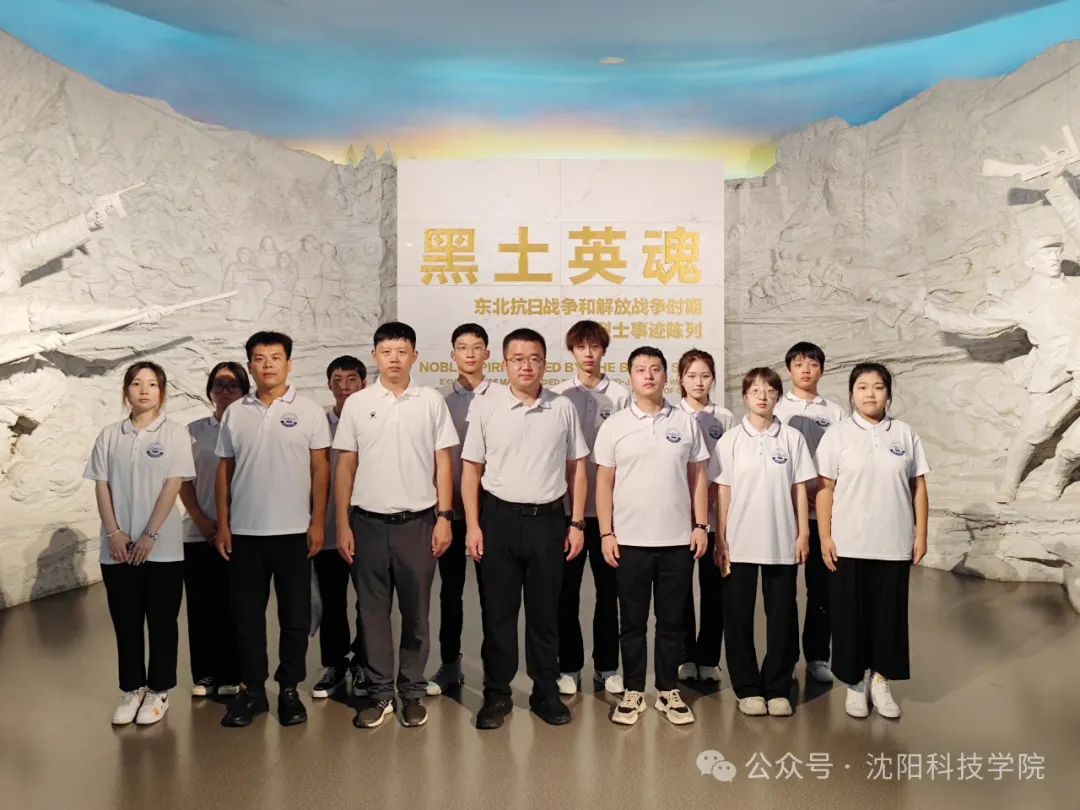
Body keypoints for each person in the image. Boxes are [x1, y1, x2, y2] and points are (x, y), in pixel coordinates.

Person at [461, 327, 589, 729]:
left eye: (534, 358)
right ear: (504, 364)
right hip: (498, 521)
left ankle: (545, 692)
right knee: (498, 614)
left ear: (545, 363)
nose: (526, 366)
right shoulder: (487, 407)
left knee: (545, 613)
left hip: (548, 522)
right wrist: (473, 526)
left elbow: (577, 468)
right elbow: (471, 470)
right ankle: (497, 694)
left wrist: (577, 522)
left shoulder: (562, 407)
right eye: (518, 359)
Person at [334, 322, 458, 729]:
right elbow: (345, 465)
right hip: (367, 523)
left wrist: (444, 517)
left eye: (402, 352)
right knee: (371, 613)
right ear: (375, 356)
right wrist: (342, 524)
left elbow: (443, 462)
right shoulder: (358, 403)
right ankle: (379, 693)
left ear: (414, 357)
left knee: (416, 612)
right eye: (386, 352)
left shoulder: (430, 401)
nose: (394, 359)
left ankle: (412, 691)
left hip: (418, 523)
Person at [215, 331, 331, 728]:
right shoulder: (235, 413)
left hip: (294, 533)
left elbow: (320, 469)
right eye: (260, 358)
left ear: (289, 364)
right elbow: (225, 470)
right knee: (247, 616)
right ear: (250, 365)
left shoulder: (309, 411)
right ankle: (253, 691)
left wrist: (318, 522)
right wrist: (224, 524)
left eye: (276, 357)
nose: (268, 365)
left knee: (295, 617)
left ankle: (288, 689)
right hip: (245, 533)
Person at [595, 347, 710, 726]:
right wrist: (606, 532)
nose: (648, 375)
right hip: (629, 541)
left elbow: (698, 476)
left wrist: (700, 525)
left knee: (672, 622)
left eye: (655, 369)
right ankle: (632, 690)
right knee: (631, 621)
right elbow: (604, 482)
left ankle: (667, 690)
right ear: (630, 376)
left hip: (676, 540)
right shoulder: (615, 425)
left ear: (666, 376)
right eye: (641, 369)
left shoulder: (685, 422)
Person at [815, 363, 930, 719]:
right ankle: (854, 683)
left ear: (888, 394)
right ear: (851, 393)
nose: (870, 393)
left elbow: (918, 486)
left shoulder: (905, 434)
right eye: (862, 387)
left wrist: (921, 533)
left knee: (888, 616)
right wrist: (824, 536)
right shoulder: (837, 435)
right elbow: (824, 489)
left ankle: (881, 681)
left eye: (878, 387)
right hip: (849, 542)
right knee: (849, 616)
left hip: (893, 541)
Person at [84, 361, 195, 725]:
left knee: (162, 621)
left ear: (162, 392)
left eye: (152, 384)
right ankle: (132, 688)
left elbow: (172, 485)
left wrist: (150, 535)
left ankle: (159, 690)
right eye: (136, 383)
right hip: (116, 549)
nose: (144, 390)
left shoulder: (174, 434)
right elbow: (102, 486)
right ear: (126, 391)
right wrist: (113, 533)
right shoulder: (109, 435)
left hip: (162, 549)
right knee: (126, 622)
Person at [713, 367, 816, 717]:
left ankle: (777, 686)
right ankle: (747, 688)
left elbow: (799, 488)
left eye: (770, 391)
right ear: (745, 396)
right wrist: (721, 538)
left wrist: (803, 533)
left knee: (782, 616)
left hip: (781, 539)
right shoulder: (730, 440)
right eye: (755, 390)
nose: (762, 396)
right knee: (738, 617)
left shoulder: (792, 439)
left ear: (778, 397)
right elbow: (723, 492)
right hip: (739, 541)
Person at [552, 320, 630, 696]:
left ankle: (606, 666)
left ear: (603, 351)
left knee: (609, 593)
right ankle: (568, 666)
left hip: (610, 513)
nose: (588, 354)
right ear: (571, 351)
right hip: (566, 510)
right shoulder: (558, 395)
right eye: (581, 347)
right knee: (565, 593)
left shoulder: (621, 396)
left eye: (594, 347)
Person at [426, 323, 501, 696]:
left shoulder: (502, 397)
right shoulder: (438, 400)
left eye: (477, 347)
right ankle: (450, 664)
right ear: (452, 354)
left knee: (493, 594)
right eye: (462, 347)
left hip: (492, 512)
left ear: (488, 354)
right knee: (450, 593)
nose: (470, 354)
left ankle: (495, 671)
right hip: (449, 512)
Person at [773, 342, 847, 685]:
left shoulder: (835, 412)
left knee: (822, 589)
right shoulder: (776, 407)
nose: (806, 369)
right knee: (783, 592)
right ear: (789, 369)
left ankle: (818, 656)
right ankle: (785, 658)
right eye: (799, 363)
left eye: (813, 364)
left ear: (822, 370)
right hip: (783, 513)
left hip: (822, 516)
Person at [178, 362, 247, 699]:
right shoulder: (193, 431)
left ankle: (234, 671)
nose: (225, 391)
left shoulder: (252, 428)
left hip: (242, 531)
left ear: (244, 391)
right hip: (199, 531)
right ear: (210, 390)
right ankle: (205, 673)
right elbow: (183, 481)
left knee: (237, 605)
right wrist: (204, 522)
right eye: (219, 384)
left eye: (233, 385)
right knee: (202, 606)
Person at [675, 349, 734, 684]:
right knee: (680, 589)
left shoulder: (724, 417)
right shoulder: (672, 416)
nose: (698, 382)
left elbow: (729, 466)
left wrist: (711, 495)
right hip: (680, 517)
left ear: (713, 378)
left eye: (705, 376)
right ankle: (685, 656)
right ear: (681, 380)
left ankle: (709, 657)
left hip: (717, 517)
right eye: (691, 376)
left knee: (716, 589)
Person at [312, 356, 368, 699]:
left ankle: (364, 661)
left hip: (366, 529)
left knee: (368, 603)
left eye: (351, 379)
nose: (344, 386)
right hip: (328, 531)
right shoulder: (318, 422)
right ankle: (334, 663)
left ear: (363, 383)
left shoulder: (373, 418)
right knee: (332, 602)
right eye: (337, 379)